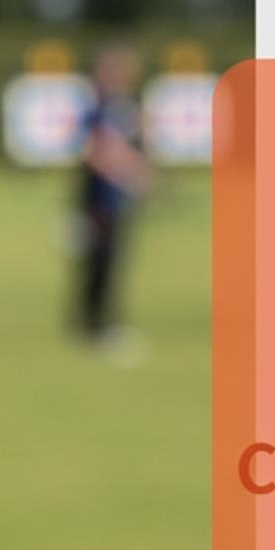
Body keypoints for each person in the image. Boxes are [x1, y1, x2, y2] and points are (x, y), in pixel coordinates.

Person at [74, 44, 151, 358]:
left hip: (117, 200)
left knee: (112, 262)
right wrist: (129, 172)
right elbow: (95, 151)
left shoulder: (123, 106)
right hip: (100, 198)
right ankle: (95, 326)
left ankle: (100, 322)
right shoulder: (100, 106)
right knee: (100, 263)